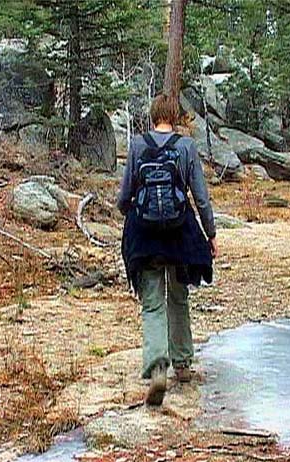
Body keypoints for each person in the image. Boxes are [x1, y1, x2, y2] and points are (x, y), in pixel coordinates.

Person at [118, 94, 218, 406]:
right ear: (175, 117)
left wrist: (129, 211)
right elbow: (200, 197)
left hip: (145, 236)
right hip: (180, 234)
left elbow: (125, 195)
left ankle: (158, 367)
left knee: (152, 304)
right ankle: (184, 365)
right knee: (178, 296)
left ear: (152, 117)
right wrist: (210, 234)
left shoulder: (137, 145)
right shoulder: (186, 146)